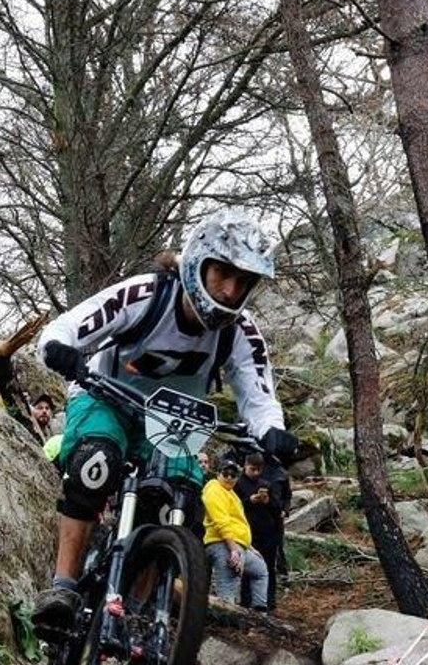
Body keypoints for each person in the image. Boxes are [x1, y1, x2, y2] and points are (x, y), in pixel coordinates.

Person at [31, 208, 296, 636]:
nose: (230, 291)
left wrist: (272, 432)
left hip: (174, 421)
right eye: (222, 275)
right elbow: (68, 326)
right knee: (94, 465)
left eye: (243, 281)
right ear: (197, 264)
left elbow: (258, 393)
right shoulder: (145, 295)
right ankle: (62, 587)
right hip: (106, 397)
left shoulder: (241, 332)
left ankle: (135, 616)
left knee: (178, 500)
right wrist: (62, 349)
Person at [200, 456, 271, 610]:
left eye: (234, 475)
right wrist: (233, 550)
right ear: (218, 473)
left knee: (260, 571)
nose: (230, 478)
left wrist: (250, 547)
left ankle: (259, 614)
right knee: (228, 595)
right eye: (226, 474)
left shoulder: (231, 494)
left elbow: (238, 524)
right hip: (222, 544)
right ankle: (224, 628)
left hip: (240, 545)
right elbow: (221, 522)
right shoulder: (213, 490)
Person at [235, 450, 290, 611]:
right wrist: (249, 501)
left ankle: (268, 602)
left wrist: (268, 501)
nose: (256, 473)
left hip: (268, 532)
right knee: (247, 570)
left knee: (268, 569)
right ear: (245, 466)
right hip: (248, 533)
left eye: (259, 470)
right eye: (253, 469)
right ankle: (246, 602)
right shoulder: (238, 484)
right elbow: (234, 507)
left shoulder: (266, 484)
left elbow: (277, 509)